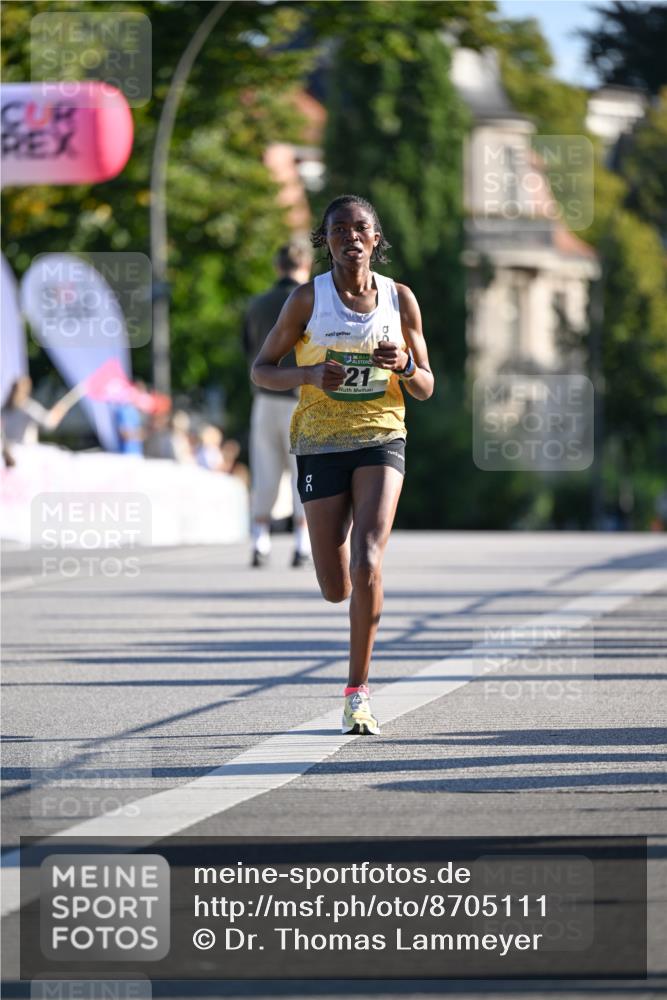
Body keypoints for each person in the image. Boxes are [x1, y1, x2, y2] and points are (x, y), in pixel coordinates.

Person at [252, 195, 434, 735]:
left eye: (361, 229)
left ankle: (357, 691)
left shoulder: (400, 300)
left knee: (369, 558)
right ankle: (352, 593)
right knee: (336, 585)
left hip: (381, 437)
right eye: (338, 230)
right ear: (325, 241)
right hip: (319, 441)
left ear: (376, 239)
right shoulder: (308, 300)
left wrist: (403, 365)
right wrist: (308, 377)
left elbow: (426, 386)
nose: (350, 237)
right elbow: (262, 370)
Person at [243, 237, 313, 568]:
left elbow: (248, 350)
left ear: (277, 267)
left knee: (265, 469)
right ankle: (301, 544)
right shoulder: (312, 302)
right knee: (303, 470)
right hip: (300, 397)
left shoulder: (256, 304)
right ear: (306, 265)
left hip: (264, 398)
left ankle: (260, 540)